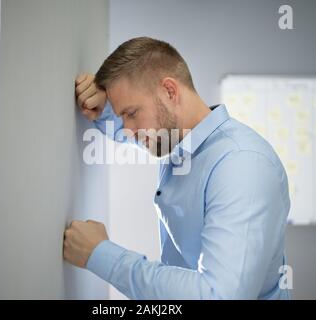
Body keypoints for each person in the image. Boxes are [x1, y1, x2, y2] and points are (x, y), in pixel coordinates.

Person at [63, 36, 291, 299]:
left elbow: (218, 295)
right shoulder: (180, 144)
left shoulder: (242, 165)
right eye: (122, 115)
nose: (127, 128)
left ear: (170, 92)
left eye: (131, 113)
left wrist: (100, 254)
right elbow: (131, 131)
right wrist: (105, 108)